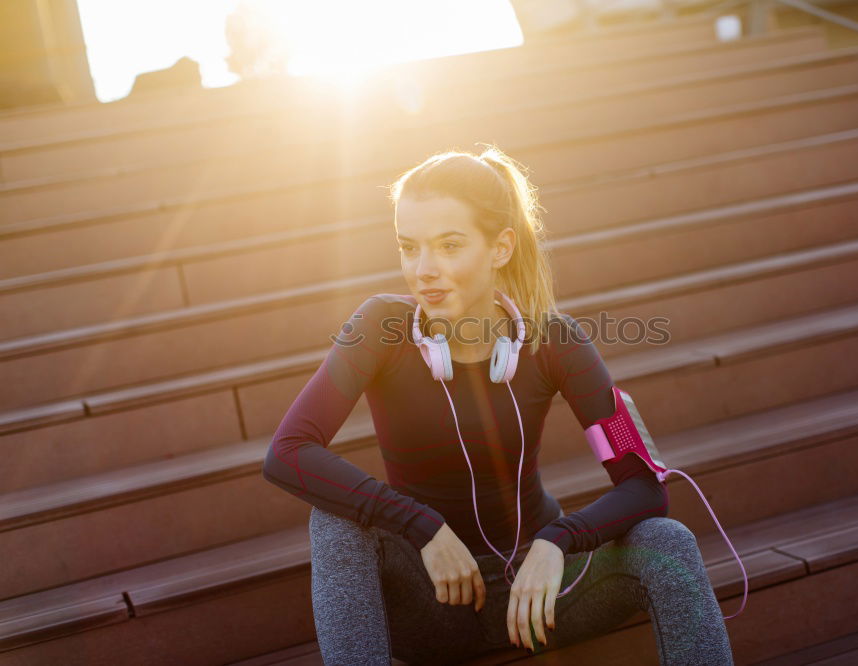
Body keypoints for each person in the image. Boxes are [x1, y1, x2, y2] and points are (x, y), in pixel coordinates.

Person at [261, 145, 735, 665]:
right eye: (409, 246)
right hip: (432, 603)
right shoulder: (379, 327)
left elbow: (645, 487)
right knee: (333, 523)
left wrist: (558, 541)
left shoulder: (554, 339)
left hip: (542, 599)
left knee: (666, 541)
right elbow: (288, 452)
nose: (423, 270)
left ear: (501, 247)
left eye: (449, 245)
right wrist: (422, 527)